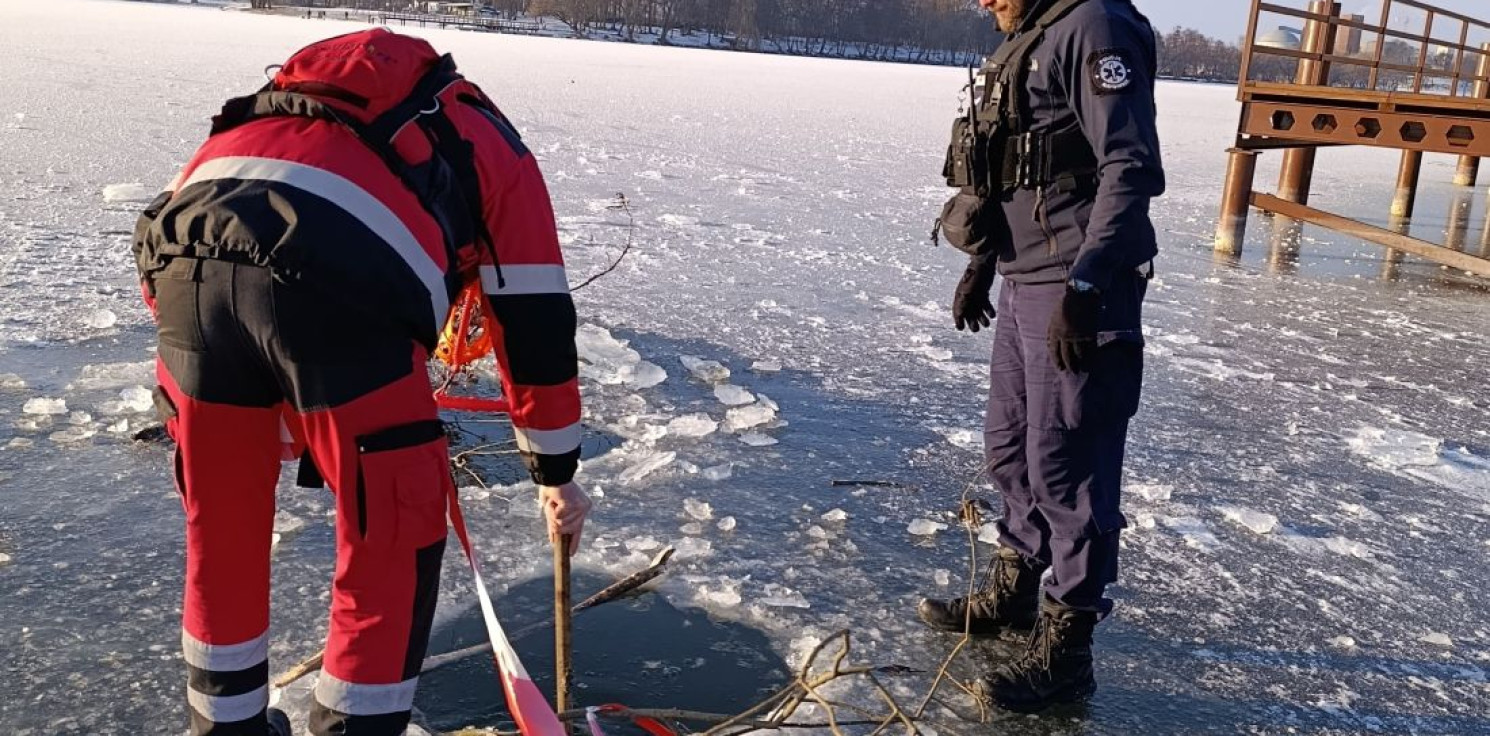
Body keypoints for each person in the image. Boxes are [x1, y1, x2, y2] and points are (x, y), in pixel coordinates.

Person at [132, 29, 591, 736]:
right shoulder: (482, 134)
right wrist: (554, 471)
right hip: (344, 290)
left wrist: (247, 392)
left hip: (184, 282)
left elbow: (165, 240)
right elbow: (533, 313)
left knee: (220, 530)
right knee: (392, 534)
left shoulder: (264, 113)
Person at [921, 0, 1164, 713]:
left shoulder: (1095, 27)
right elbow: (1013, 168)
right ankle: (1016, 590)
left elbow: (1129, 164)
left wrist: (1088, 284)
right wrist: (981, 265)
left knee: (1069, 466)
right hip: (1025, 276)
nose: (983, 2)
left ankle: (1067, 651)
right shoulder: (1035, 32)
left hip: (1080, 280)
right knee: (1010, 450)